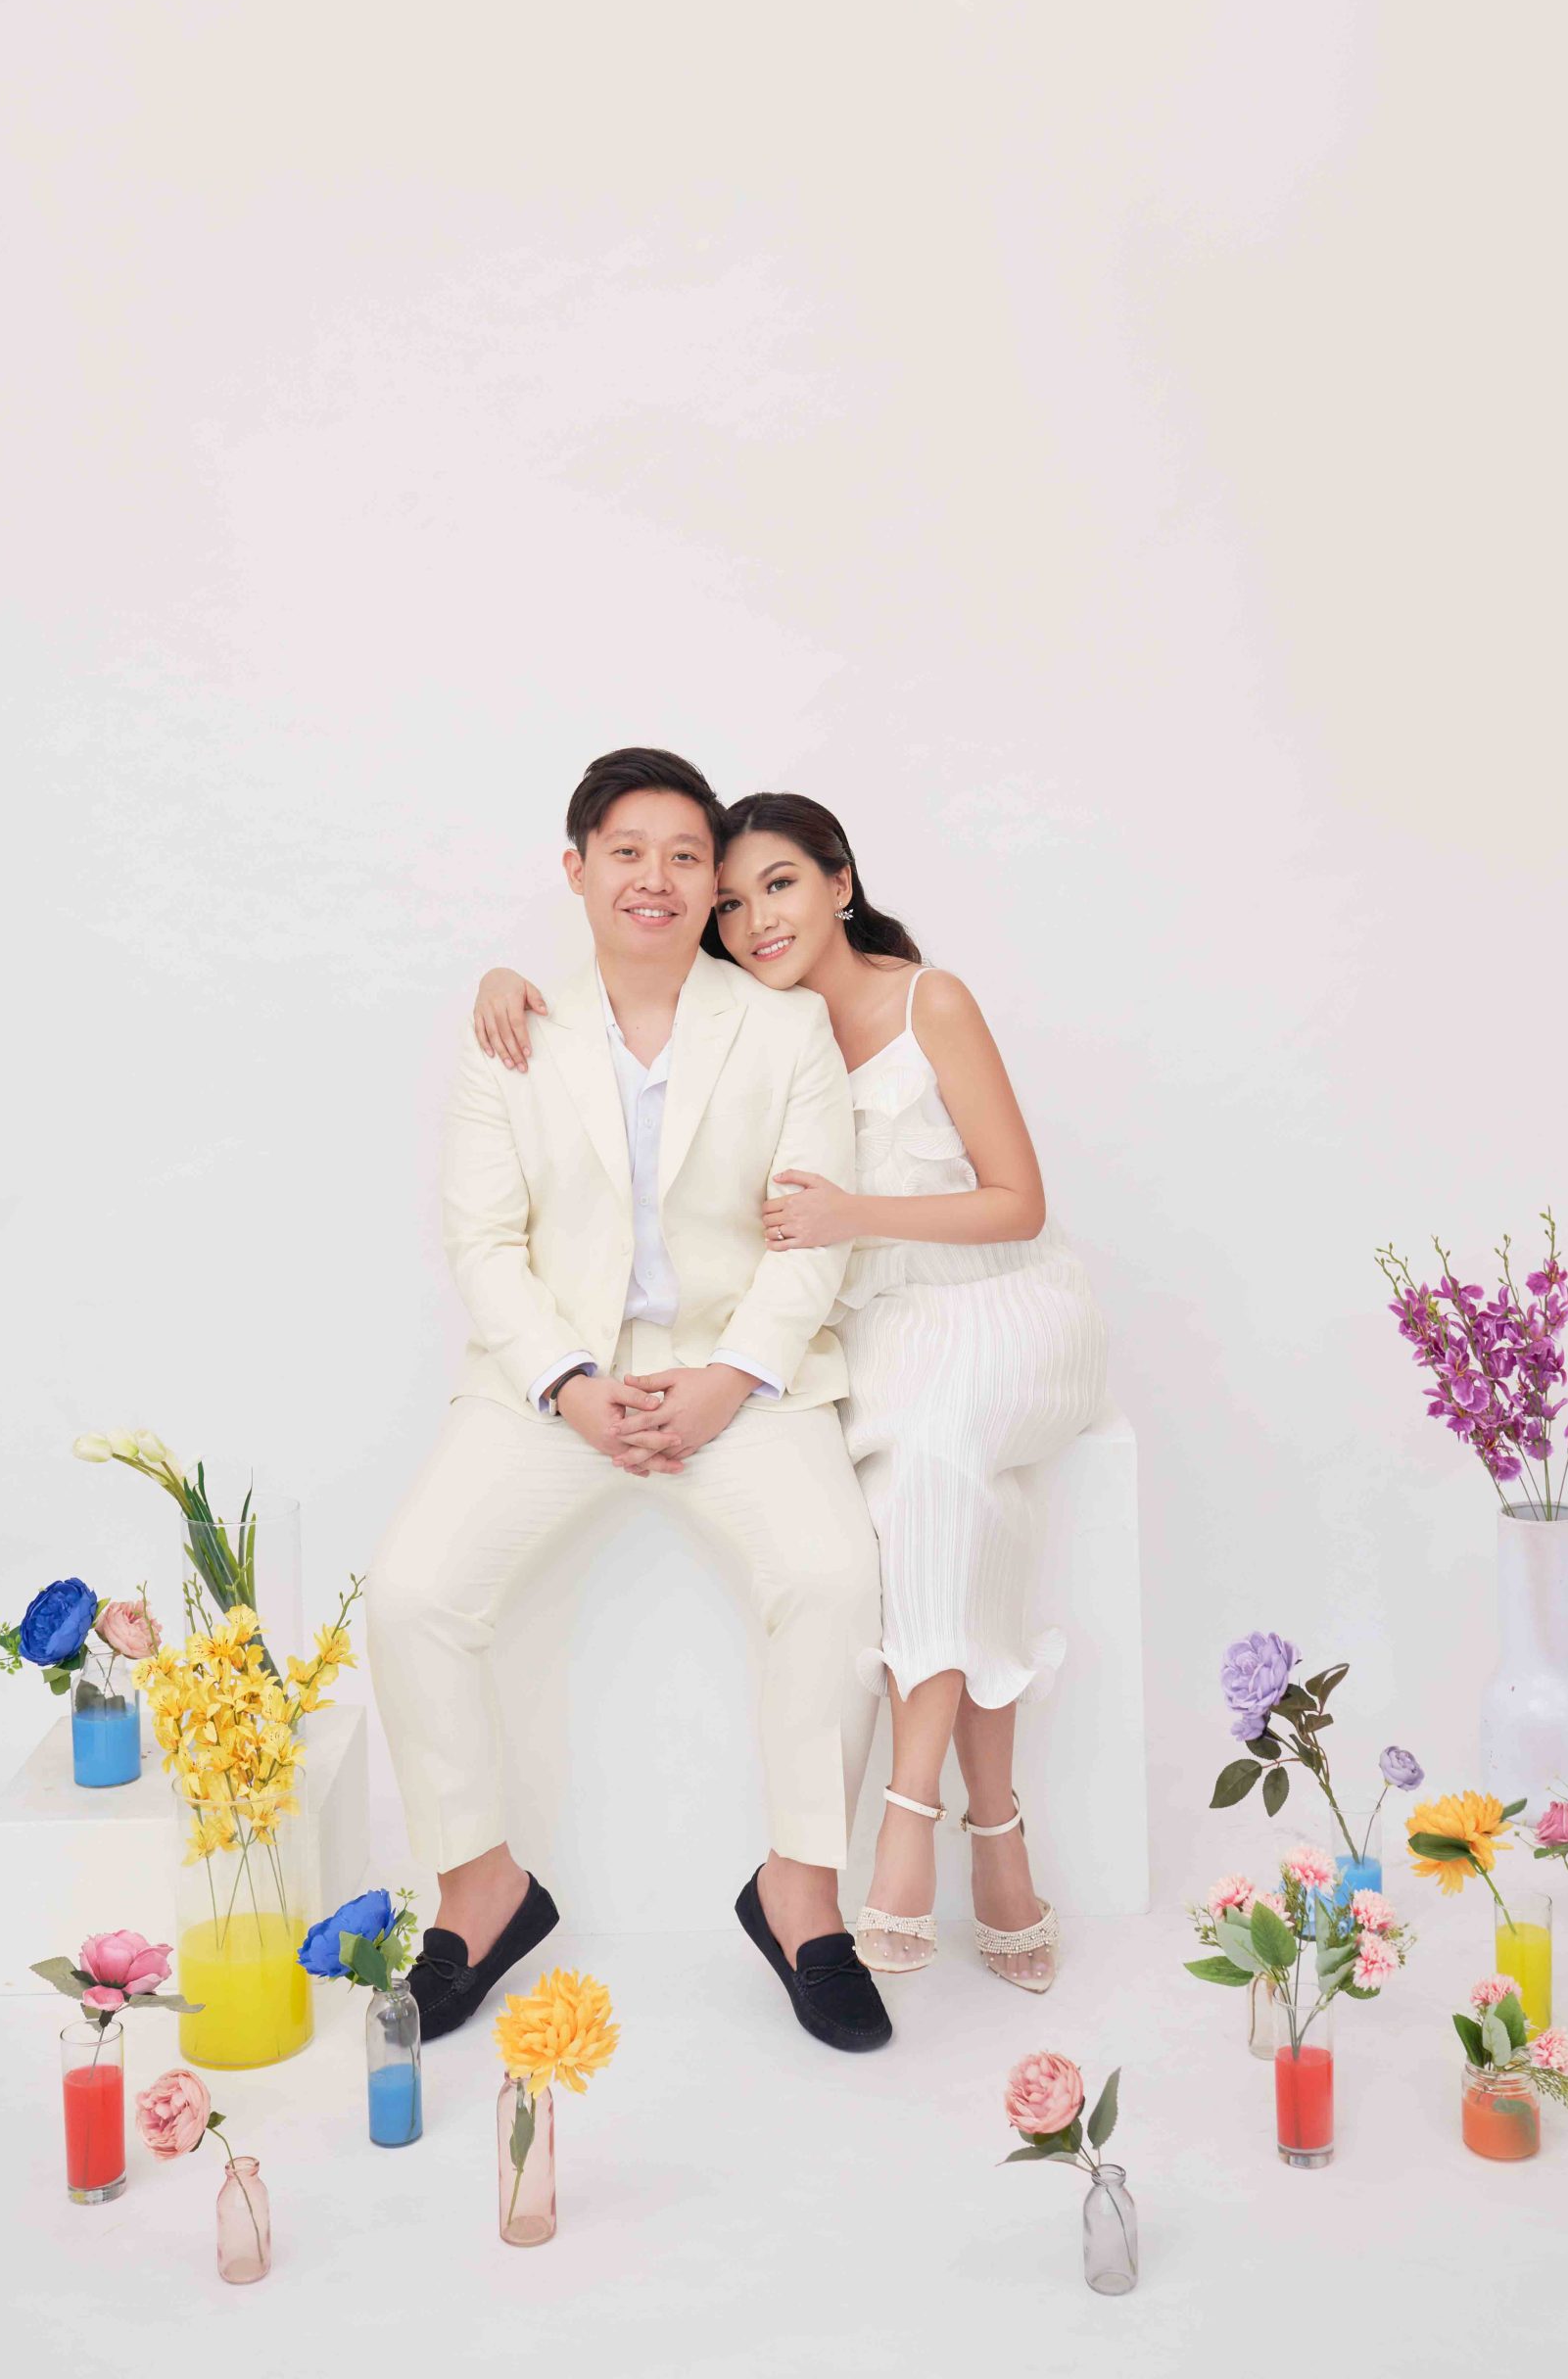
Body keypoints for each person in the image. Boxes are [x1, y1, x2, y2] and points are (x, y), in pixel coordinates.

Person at [474, 789, 1106, 1994]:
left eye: (779, 885)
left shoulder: (930, 1001)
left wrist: (853, 1212)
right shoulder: (750, 1024)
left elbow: (1018, 1202)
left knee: (934, 1446)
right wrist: (506, 983)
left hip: (1006, 1302)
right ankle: (998, 1830)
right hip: (883, 1324)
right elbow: (614, 1007)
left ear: (840, 883)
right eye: (729, 903)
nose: (754, 919)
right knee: (928, 1486)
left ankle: (908, 1816)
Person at [369, 749, 891, 2054]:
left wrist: (728, 1380)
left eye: (683, 856)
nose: (654, 877)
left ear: (712, 883)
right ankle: (482, 1889)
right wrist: (568, 1383)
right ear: (577, 869)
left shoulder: (785, 1029)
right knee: (413, 1593)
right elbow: (483, 1240)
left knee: (832, 1581)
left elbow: (810, 1240)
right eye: (625, 852)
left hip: (738, 1378)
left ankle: (800, 1897)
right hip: (557, 1381)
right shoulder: (514, 1030)